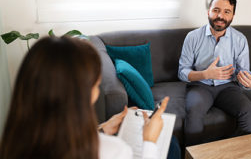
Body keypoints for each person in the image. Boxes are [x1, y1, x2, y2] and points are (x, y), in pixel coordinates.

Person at [0, 36, 169, 159]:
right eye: (97, 85)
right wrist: (149, 141)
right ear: (82, 95)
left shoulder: (12, 146)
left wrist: (102, 128)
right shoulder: (111, 151)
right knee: (171, 147)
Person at [178, 0, 251, 146]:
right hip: (200, 87)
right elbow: (182, 71)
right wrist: (205, 74)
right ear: (208, 11)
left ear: (233, 15)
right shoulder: (192, 37)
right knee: (194, 114)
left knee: (250, 113)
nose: (220, 16)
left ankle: (229, 153)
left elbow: (243, 73)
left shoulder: (240, 40)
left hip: (228, 88)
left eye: (226, 12)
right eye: (216, 10)